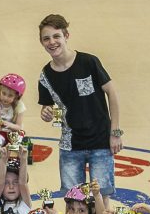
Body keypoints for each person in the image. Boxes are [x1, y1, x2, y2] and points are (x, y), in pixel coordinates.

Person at [36, 14, 122, 195]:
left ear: (66, 36)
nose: (52, 42)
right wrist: (46, 113)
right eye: (46, 38)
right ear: (42, 42)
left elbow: (112, 94)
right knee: (73, 201)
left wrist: (115, 133)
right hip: (70, 148)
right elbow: (47, 107)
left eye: (56, 36)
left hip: (101, 143)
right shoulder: (45, 76)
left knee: (102, 199)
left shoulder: (89, 62)